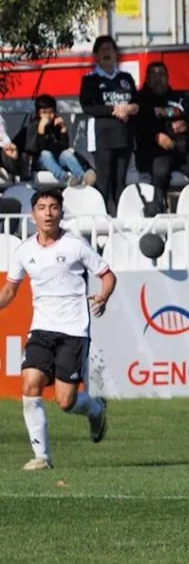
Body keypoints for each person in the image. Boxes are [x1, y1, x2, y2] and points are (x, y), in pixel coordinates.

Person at [0, 190, 113, 470]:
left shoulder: (76, 245)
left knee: (65, 401)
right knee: (30, 385)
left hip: (74, 330)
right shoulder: (24, 250)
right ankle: (42, 457)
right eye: (42, 207)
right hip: (41, 329)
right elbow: (10, 290)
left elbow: (107, 275)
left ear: (61, 213)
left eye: (53, 207)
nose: (48, 213)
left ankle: (95, 409)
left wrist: (103, 296)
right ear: (33, 215)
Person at [136, 62, 189, 209]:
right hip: (157, 151)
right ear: (147, 78)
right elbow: (138, 126)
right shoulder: (141, 100)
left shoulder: (181, 98)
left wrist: (186, 125)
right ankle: (157, 210)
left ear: (168, 77)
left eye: (162, 74)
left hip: (182, 150)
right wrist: (156, 136)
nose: (158, 79)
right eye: (154, 74)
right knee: (160, 173)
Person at [79, 35, 138, 213]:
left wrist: (130, 109)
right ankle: (101, 218)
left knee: (120, 181)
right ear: (96, 55)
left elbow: (137, 102)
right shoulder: (90, 80)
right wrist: (114, 109)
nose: (107, 53)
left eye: (110, 49)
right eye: (102, 49)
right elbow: (88, 107)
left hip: (124, 136)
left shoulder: (125, 78)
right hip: (102, 137)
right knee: (103, 181)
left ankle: (120, 218)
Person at [14, 94, 93, 186]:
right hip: (41, 161)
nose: (48, 116)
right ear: (38, 113)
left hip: (57, 158)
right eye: (44, 112)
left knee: (66, 154)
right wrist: (41, 131)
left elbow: (64, 146)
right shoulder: (33, 125)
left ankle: (83, 178)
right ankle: (66, 178)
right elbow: (36, 150)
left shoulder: (56, 125)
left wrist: (63, 129)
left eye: (51, 112)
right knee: (46, 154)